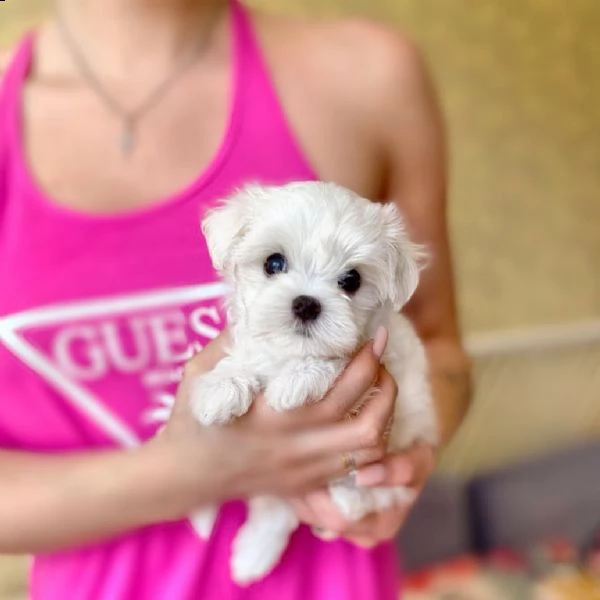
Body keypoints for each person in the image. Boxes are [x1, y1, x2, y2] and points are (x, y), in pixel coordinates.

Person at [0, 0, 471, 598]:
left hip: (331, 579)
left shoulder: (367, 75)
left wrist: (407, 452)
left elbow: (436, 344)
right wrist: (190, 473)